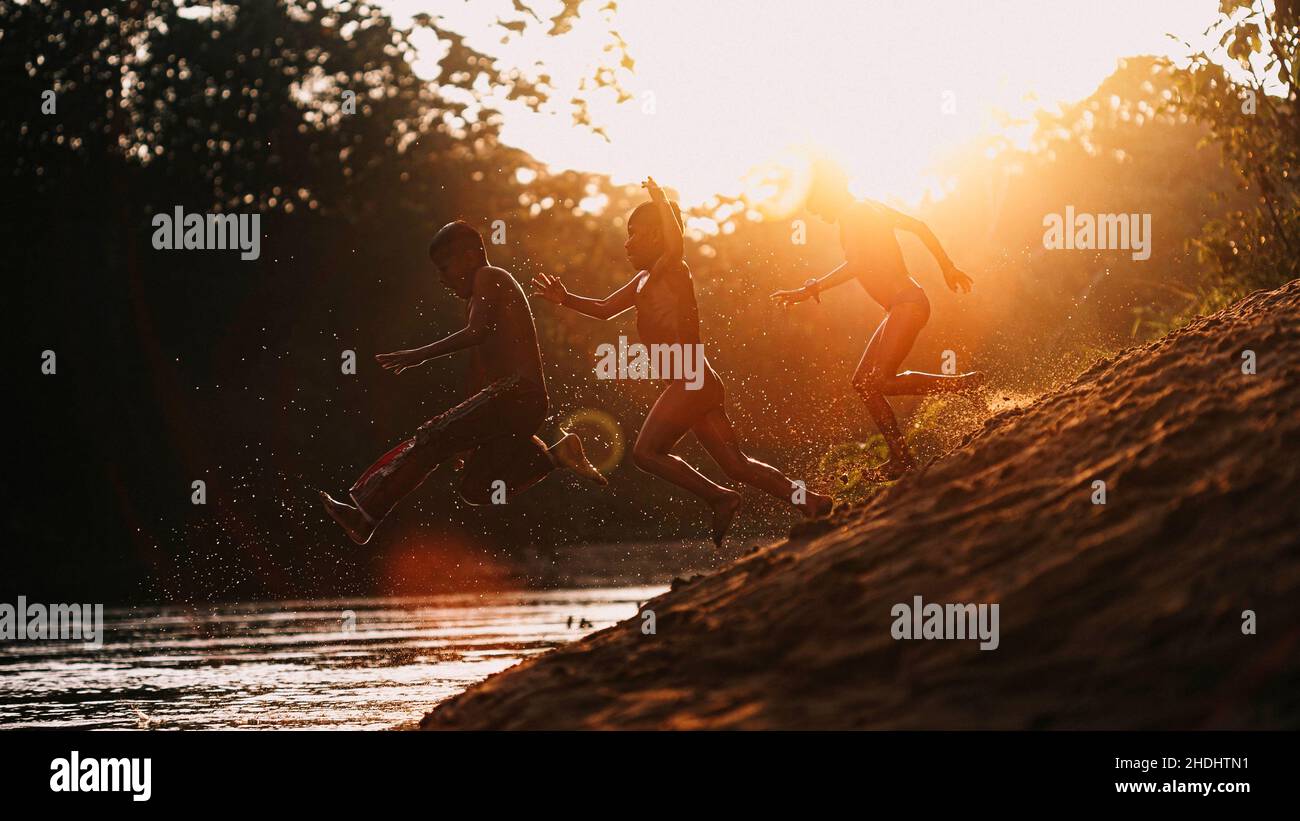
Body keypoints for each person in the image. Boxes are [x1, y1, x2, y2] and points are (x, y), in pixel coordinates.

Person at [532, 177, 832, 547]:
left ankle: (720, 497)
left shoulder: (670, 267)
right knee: (737, 465)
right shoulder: (642, 280)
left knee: (645, 453)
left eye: (636, 234)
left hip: (690, 379)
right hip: (698, 382)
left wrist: (661, 200)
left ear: (658, 237)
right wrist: (565, 299)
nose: (627, 243)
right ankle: (812, 501)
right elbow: (605, 309)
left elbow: (676, 242)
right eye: (627, 234)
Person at [319, 220, 605, 545]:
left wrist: (421, 354)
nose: (442, 279)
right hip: (515, 404)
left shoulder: (490, 276)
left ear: (470, 257)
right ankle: (557, 456)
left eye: (444, 267)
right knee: (475, 488)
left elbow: (477, 333)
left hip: (517, 395)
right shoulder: (476, 298)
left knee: (431, 437)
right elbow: (481, 374)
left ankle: (366, 515)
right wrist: (464, 430)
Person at [771, 163, 982, 482]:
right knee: (864, 383)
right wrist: (947, 267)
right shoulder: (868, 207)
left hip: (907, 304)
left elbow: (857, 263)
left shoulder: (856, 214)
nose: (815, 213)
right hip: (900, 306)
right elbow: (920, 226)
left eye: (816, 204)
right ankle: (900, 459)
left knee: (879, 381)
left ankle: (962, 384)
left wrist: (811, 288)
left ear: (830, 193)